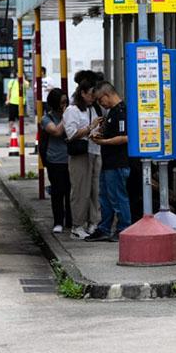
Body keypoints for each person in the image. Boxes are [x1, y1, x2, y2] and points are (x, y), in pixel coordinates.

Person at [86, 81, 131, 241]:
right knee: (104, 198)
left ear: (107, 95)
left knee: (118, 197)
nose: (100, 104)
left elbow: (125, 137)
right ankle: (104, 228)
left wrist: (103, 142)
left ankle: (123, 228)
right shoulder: (111, 112)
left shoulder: (121, 111)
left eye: (100, 100)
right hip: (108, 163)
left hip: (118, 162)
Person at [64, 71, 103, 240]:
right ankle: (77, 225)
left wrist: (97, 131)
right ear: (82, 93)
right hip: (80, 154)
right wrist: (90, 128)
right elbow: (71, 134)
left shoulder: (92, 108)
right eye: (91, 94)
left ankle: (94, 222)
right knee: (80, 190)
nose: (93, 97)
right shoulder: (72, 110)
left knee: (95, 190)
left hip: (95, 151)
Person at [40, 88, 72, 233]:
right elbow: (56, 131)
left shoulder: (71, 114)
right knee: (58, 192)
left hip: (71, 158)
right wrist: (66, 116)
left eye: (66, 102)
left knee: (71, 192)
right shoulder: (46, 119)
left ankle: (71, 220)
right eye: (62, 102)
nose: (64, 105)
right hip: (55, 160)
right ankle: (58, 221)